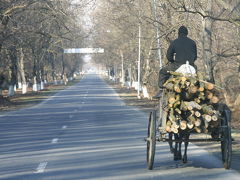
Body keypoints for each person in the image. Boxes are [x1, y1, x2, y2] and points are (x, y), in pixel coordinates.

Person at [153, 26, 197, 98]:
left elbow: (169, 56)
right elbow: (195, 56)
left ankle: (161, 89)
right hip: (191, 66)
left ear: (178, 33)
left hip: (178, 65)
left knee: (162, 71)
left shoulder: (175, 42)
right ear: (187, 33)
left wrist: (172, 61)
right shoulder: (193, 42)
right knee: (196, 73)